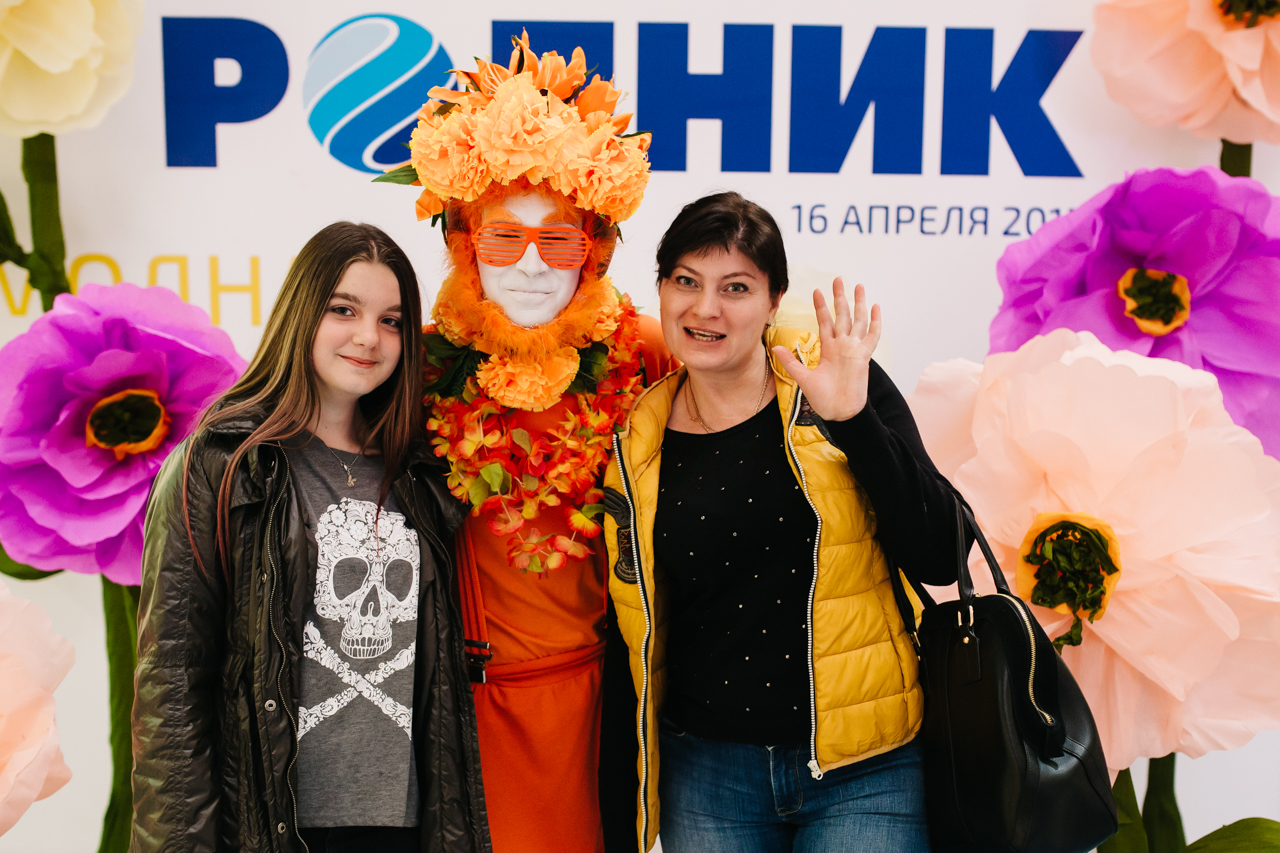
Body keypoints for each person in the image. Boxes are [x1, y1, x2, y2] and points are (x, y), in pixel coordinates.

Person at [602, 192, 968, 853]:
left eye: (735, 287)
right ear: (660, 289)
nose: (705, 308)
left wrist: (856, 422)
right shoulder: (636, 440)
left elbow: (943, 554)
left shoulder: (835, 385)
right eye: (686, 281)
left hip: (865, 766)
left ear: (774, 301)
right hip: (707, 775)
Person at [387, 33, 672, 853]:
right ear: (463, 244)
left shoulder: (643, 353)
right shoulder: (423, 364)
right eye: (504, 239)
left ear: (597, 247)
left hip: (597, 703)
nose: (534, 266)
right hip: (453, 704)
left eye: (561, 239)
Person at [131, 222, 489, 853]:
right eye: (343, 310)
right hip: (276, 826)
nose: (368, 337)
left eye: (391, 320)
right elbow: (172, 686)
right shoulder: (221, 465)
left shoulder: (423, 473)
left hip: (405, 828)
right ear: (301, 313)